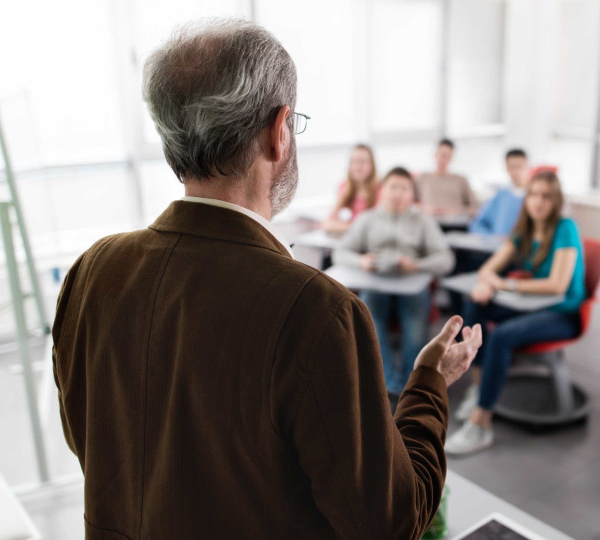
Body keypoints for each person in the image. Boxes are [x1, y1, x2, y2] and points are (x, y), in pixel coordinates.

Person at [51, 20, 482, 539]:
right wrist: (430, 383)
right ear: (280, 132)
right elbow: (390, 523)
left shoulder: (93, 271)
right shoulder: (316, 310)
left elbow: (93, 443)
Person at [445, 171, 585, 456]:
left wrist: (505, 283)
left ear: (556, 200)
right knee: (475, 302)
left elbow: (557, 285)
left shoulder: (565, 228)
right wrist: (486, 284)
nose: (538, 202)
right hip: (530, 306)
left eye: (546, 196)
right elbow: (488, 268)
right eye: (533, 195)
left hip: (563, 314)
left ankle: (481, 423)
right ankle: (477, 386)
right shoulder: (524, 229)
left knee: (500, 337)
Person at [334, 168, 455, 394]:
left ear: (412, 194)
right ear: (383, 190)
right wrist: (362, 261)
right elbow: (340, 253)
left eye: (404, 188)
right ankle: (388, 384)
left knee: (415, 330)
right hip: (375, 283)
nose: (398, 193)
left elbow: (445, 259)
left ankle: (413, 385)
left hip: (412, 285)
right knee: (368, 324)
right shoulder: (367, 218)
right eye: (393, 187)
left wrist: (417, 265)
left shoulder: (423, 220)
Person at [469, 148, 530, 236]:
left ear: (527, 166)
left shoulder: (534, 197)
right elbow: (477, 225)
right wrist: (490, 238)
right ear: (506, 168)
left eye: (519, 166)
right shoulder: (500, 196)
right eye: (511, 167)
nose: (516, 171)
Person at [322, 144, 379, 234]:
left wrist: (346, 227)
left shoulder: (381, 189)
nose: (359, 166)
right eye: (355, 161)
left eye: (363, 162)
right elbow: (328, 225)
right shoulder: (344, 187)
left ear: (372, 165)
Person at [416, 139, 478, 217]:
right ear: (435, 154)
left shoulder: (461, 180)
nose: (443, 159)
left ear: (451, 157)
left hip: (455, 223)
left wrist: (458, 212)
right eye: (442, 154)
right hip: (428, 221)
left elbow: (475, 206)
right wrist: (424, 209)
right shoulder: (423, 178)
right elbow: (410, 203)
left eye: (447, 156)